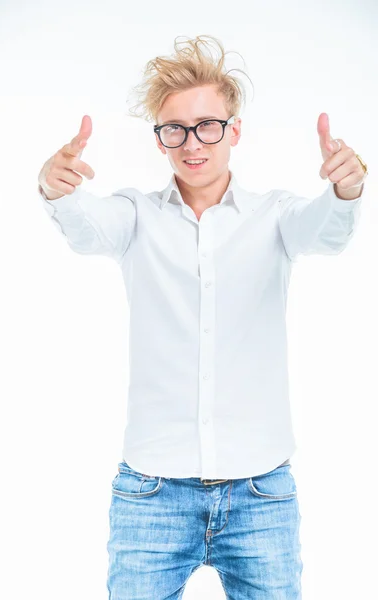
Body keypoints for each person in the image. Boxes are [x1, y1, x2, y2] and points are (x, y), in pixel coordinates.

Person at [37, 35, 367, 600]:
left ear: (234, 130)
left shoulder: (276, 216)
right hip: (150, 495)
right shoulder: (135, 216)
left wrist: (347, 187)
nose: (193, 143)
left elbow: (327, 231)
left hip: (262, 493)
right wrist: (55, 189)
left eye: (208, 125)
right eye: (175, 130)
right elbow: (85, 228)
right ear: (161, 140)